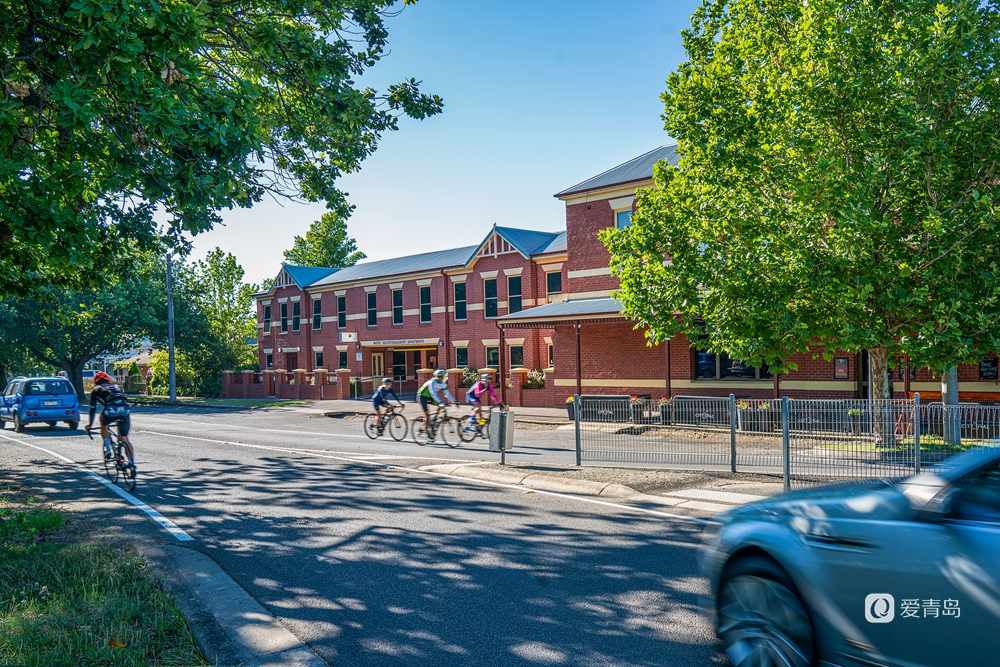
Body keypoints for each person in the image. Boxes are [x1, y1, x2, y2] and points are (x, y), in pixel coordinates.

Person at [86, 371, 134, 464]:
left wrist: (89, 425)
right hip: (125, 410)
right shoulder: (116, 386)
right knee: (124, 438)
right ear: (108, 379)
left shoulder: (96, 390)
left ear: (96, 381)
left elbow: (92, 409)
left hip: (110, 411)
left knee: (103, 424)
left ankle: (108, 449)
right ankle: (132, 464)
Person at [418, 369, 455, 440]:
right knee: (427, 414)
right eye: (440, 377)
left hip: (429, 397)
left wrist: (454, 401)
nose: (441, 378)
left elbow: (447, 393)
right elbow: (434, 394)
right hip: (422, 396)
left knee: (441, 406)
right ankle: (427, 433)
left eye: (443, 377)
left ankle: (434, 418)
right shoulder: (432, 382)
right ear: (436, 377)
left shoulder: (443, 383)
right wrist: (441, 402)